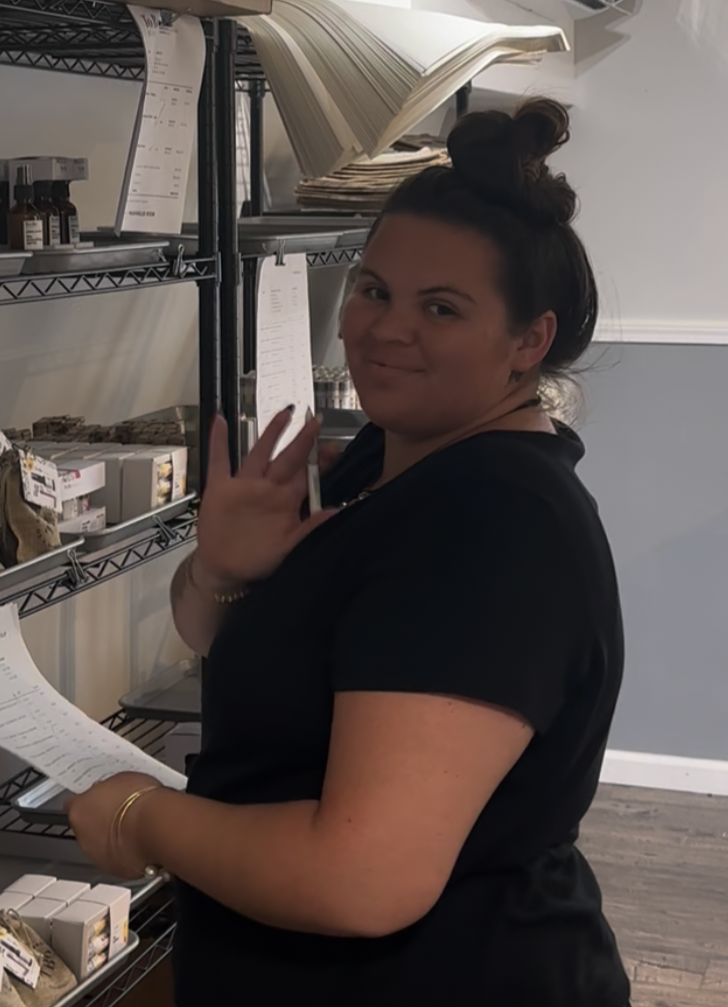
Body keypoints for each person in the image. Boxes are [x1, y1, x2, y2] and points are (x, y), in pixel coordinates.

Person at [66, 97, 630, 1007]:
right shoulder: (388, 454)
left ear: (530, 340)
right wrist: (226, 572)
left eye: (441, 308)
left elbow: (363, 878)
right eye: (374, 291)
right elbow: (235, 645)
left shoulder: (492, 522)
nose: (384, 329)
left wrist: (143, 817)